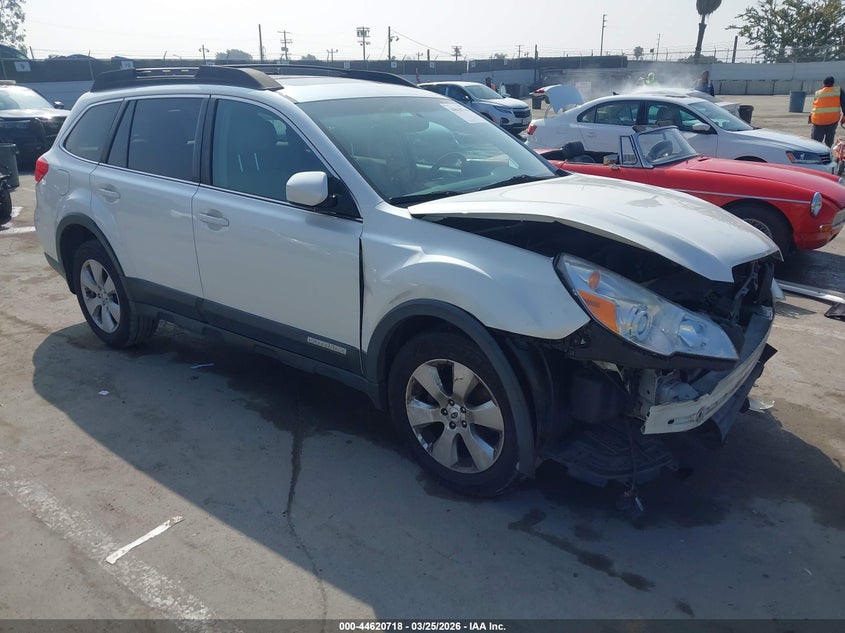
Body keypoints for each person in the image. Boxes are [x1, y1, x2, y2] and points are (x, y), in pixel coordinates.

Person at [809, 76, 845, 148]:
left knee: (815, 141)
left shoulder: (818, 92)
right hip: (832, 119)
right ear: (833, 83)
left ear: (823, 83)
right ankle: (828, 150)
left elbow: (815, 106)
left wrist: (810, 118)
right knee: (829, 139)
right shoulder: (838, 91)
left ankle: (815, 153)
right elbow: (844, 103)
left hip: (817, 120)